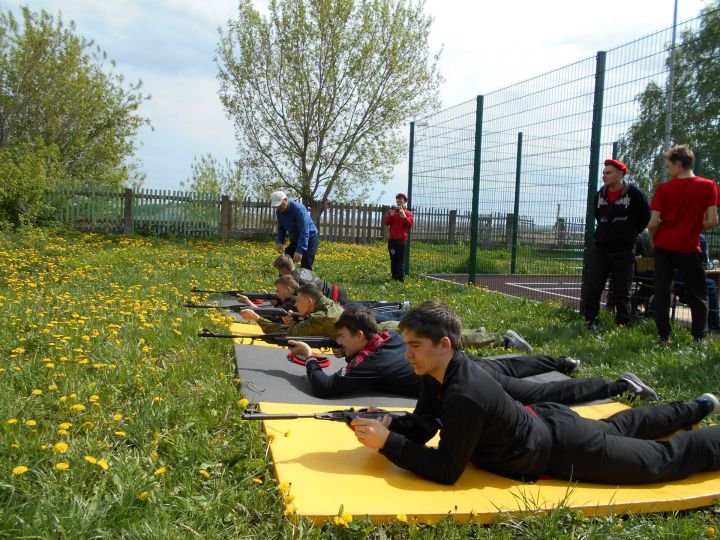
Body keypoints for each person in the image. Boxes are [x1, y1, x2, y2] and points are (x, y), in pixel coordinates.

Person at [351, 300, 720, 485]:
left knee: (661, 460)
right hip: (548, 423)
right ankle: (692, 408)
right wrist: (391, 426)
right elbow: (427, 425)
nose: (407, 354)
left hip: (562, 448)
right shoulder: (436, 374)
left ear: (444, 344)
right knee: (620, 426)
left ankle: (703, 422)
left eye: (414, 345)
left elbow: (448, 470)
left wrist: (387, 443)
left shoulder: (465, 392)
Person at [288, 307, 657, 402]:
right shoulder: (388, 338)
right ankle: (562, 363)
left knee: (541, 395)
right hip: (462, 366)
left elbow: (326, 389)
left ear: (357, 335)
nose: (340, 343)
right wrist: (344, 354)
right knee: (509, 364)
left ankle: (616, 387)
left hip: (464, 382)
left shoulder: (370, 362)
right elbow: (361, 358)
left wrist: (308, 357)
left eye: (342, 338)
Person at [647, 145, 719, 344]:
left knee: (662, 291)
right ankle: (699, 337)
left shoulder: (664, 188)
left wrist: (656, 240)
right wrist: (692, 228)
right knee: (698, 293)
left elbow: (652, 223)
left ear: (679, 164)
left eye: (669, 166)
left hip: (664, 245)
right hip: (689, 245)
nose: (668, 171)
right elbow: (713, 221)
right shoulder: (708, 185)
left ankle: (664, 337)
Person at [581, 159, 650, 330]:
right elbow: (598, 215)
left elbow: (645, 217)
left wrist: (629, 233)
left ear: (620, 174)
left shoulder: (634, 193)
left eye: (608, 172)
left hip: (624, 249)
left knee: (622, 290)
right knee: (593, 288)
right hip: (602, 248)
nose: (604, 176)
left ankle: (622, 323)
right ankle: (590, 321)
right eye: (604, 173)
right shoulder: (600, 194)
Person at [271, 191, 319, 270]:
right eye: (276, 206)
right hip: (295, 239)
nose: (278, 207)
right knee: (285, 263)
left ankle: (305, 282)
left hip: (309, 238)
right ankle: (285, 282)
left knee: (305, 268)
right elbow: (281, 227)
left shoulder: (298, 209)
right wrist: (280, 242)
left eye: (279, 205)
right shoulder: (279, 211)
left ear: (285, 200)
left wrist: (299, 250)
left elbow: (304, 230)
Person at [273, 254, 347, 305]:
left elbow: (299, 300)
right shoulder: (303, 269)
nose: (280, 274)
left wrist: (279, 301)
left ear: (284, 270)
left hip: (335, 297)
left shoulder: (295, 280)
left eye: (279, 271)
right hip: (337, 290)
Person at [384, 193, 414, 281]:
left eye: (401, 201)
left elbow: (410, 224)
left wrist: (404, 216)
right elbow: (386, 222)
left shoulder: (408, 213)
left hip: (402, 241)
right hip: (392, 241)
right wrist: (391, 214)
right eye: (397, 200)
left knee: (401, 261)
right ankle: (394, 278)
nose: (399, 202)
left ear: (404, 202)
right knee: (393, 260)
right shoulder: (393, 212)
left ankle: (400, 279)